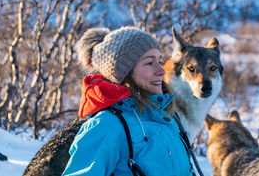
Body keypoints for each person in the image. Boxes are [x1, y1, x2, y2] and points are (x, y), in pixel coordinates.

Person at [62, 26, 193, 176]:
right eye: (149, 63)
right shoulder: (107, 125)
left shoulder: (167, 118)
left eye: (159, 61)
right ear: (125, 72)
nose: (161, 70)